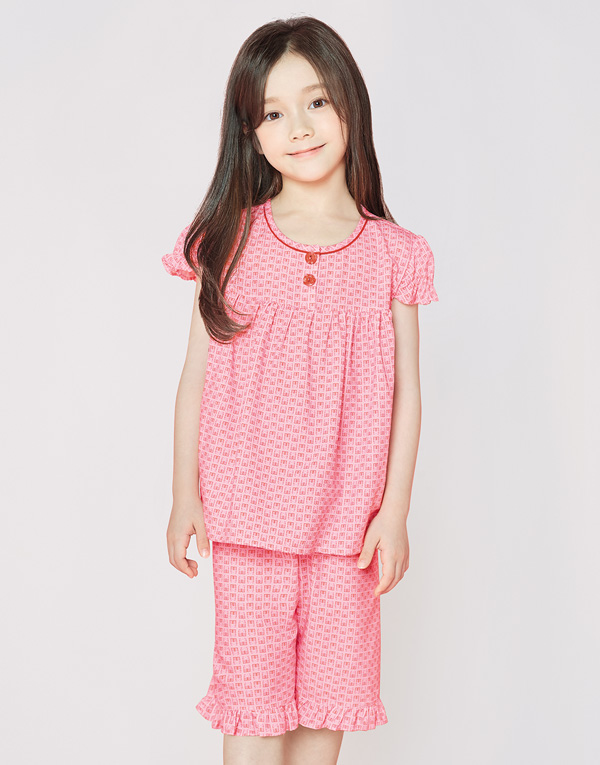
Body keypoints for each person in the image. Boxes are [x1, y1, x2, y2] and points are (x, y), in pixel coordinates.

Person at [161, 15, 439, 765]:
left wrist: (394, 512)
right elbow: (195, 376)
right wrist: (184, 494)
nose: (300, 127)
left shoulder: (395, 254)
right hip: (247, 517)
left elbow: (408, 393)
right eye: (273, 113)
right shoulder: (230, 238)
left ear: (350, 103)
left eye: (316, 102)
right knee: (251, 706)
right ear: (251, 136)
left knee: (328, 705)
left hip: (349, 528)